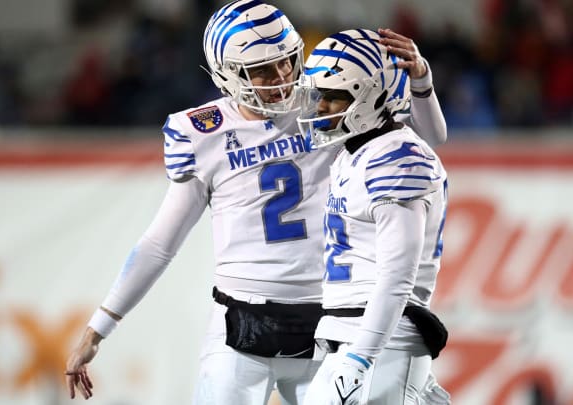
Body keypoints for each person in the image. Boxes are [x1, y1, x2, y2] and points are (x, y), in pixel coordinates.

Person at [64, 2, 447, 404]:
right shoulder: (201, 132)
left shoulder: (326, 97)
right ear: (226, 75)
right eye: (263, 70)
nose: (281, 79)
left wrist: (421, 80)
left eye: (286, 62)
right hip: (241, 323)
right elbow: (160, 244)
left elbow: (424, 137)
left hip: (329, 321)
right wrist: (97, 329)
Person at [297, 29, 451, 404]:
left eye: (334, 97)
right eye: (320, 95)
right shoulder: (358, 149)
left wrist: (360, 358)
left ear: (374, 97)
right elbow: (436, 133)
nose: (321, 108)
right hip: (354, 331)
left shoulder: (396, 157)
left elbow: (398, 276)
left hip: (380, 339)